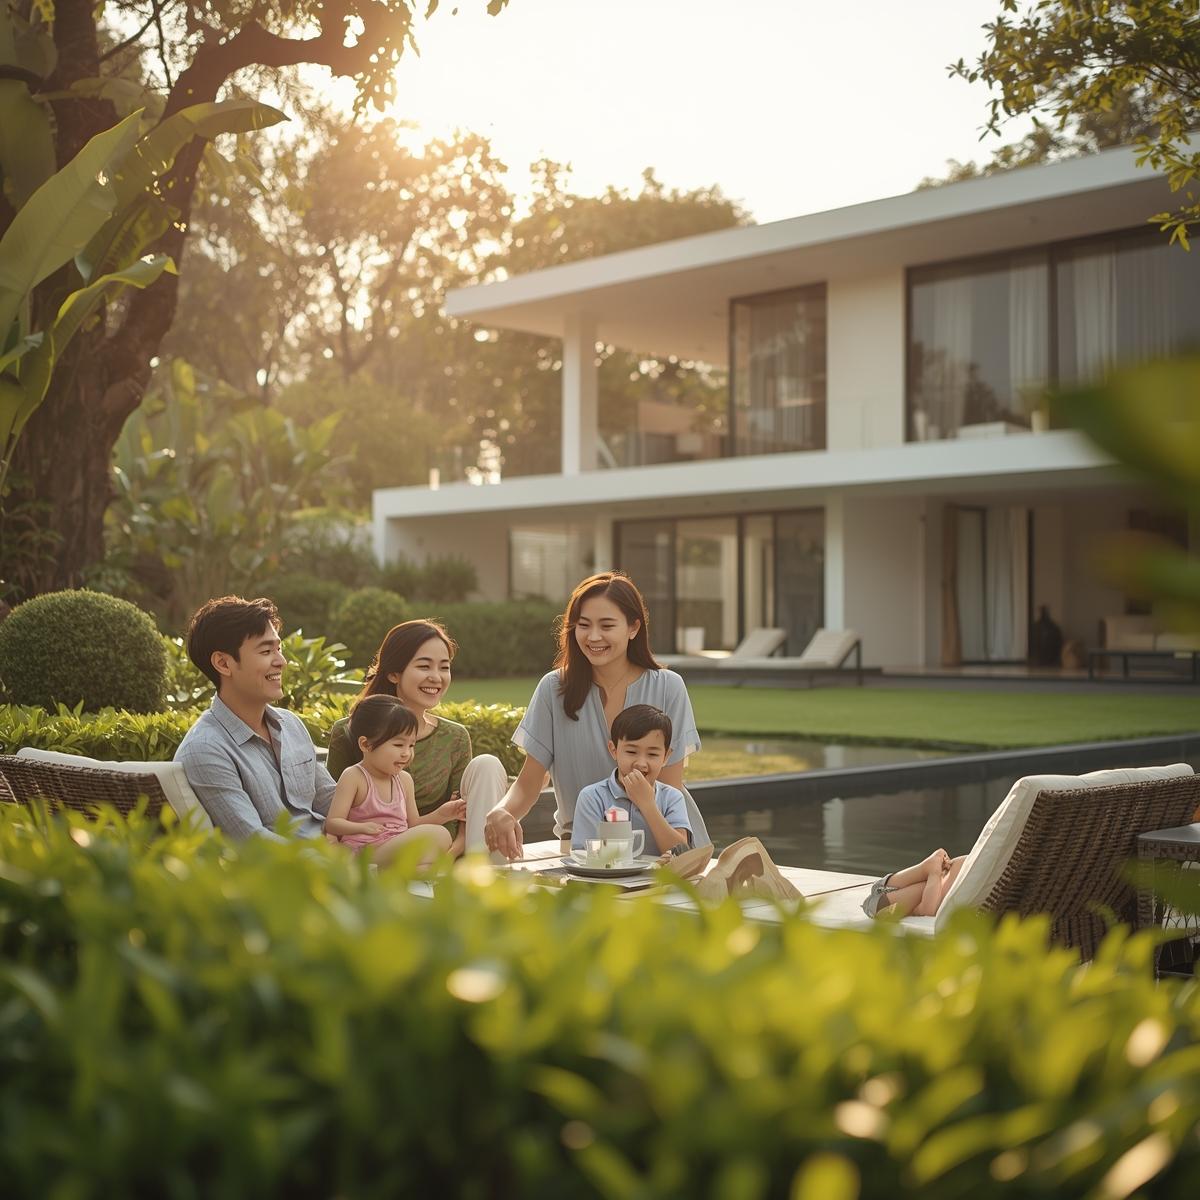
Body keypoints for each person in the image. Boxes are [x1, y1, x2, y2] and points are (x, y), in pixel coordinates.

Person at [484, 571, 703, 860]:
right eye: (583, 625)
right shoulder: (554, 689)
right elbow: (530, 782)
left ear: (633, 628)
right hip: (582, 848)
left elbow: (669, 789)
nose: (594, 636)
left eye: (607, 625)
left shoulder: (668, 686)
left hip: (659, 847)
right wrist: (503, 811)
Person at [326, 619, 507, 856]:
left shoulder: (454, 738)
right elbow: (329, 812)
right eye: (424, 666)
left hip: (440, 852)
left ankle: (483, 877)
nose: (436, 677)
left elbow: (461, 822)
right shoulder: (350, 731)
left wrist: (446, 858)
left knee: (488, 764)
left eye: (444, 667)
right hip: (374, 853)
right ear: (393, 673)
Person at [175, 595, 335, 841]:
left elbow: (333, 802)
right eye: (266, 650)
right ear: (223, 663)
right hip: (300, 872)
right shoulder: (205, 750)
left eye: (279, 649)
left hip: (343, 852)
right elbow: (253, 843)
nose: (282, 661)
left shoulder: (290, 724)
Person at [325, 695, 465, 868]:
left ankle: (390, 874)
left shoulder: (404, 780)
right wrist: (361, 828)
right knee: (437, 838)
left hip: (394, 846)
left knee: (441, 838)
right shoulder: (354, 777)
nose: (406, 753)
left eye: (411, 745)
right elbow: (332, 824)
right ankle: (373, 870)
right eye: (399, 745)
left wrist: (443, 814)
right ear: (366, 744)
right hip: (364, 851)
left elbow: (413, 824)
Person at [572, 704, 692, 856]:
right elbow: (582, 855)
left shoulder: (672, 798)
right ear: (613, 750)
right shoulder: (592, 797)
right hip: (607, 879)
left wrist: (647, 805)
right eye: (631, 751)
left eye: (652, 754)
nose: (641, 763)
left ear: (666, 757)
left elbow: (682, 855)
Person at [861, 848, 967, 918]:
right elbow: (927, 910)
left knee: (875, 898)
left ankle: (930, 868)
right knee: (874, 907)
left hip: (954, 867)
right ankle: (932, 871)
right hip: (944, 885)